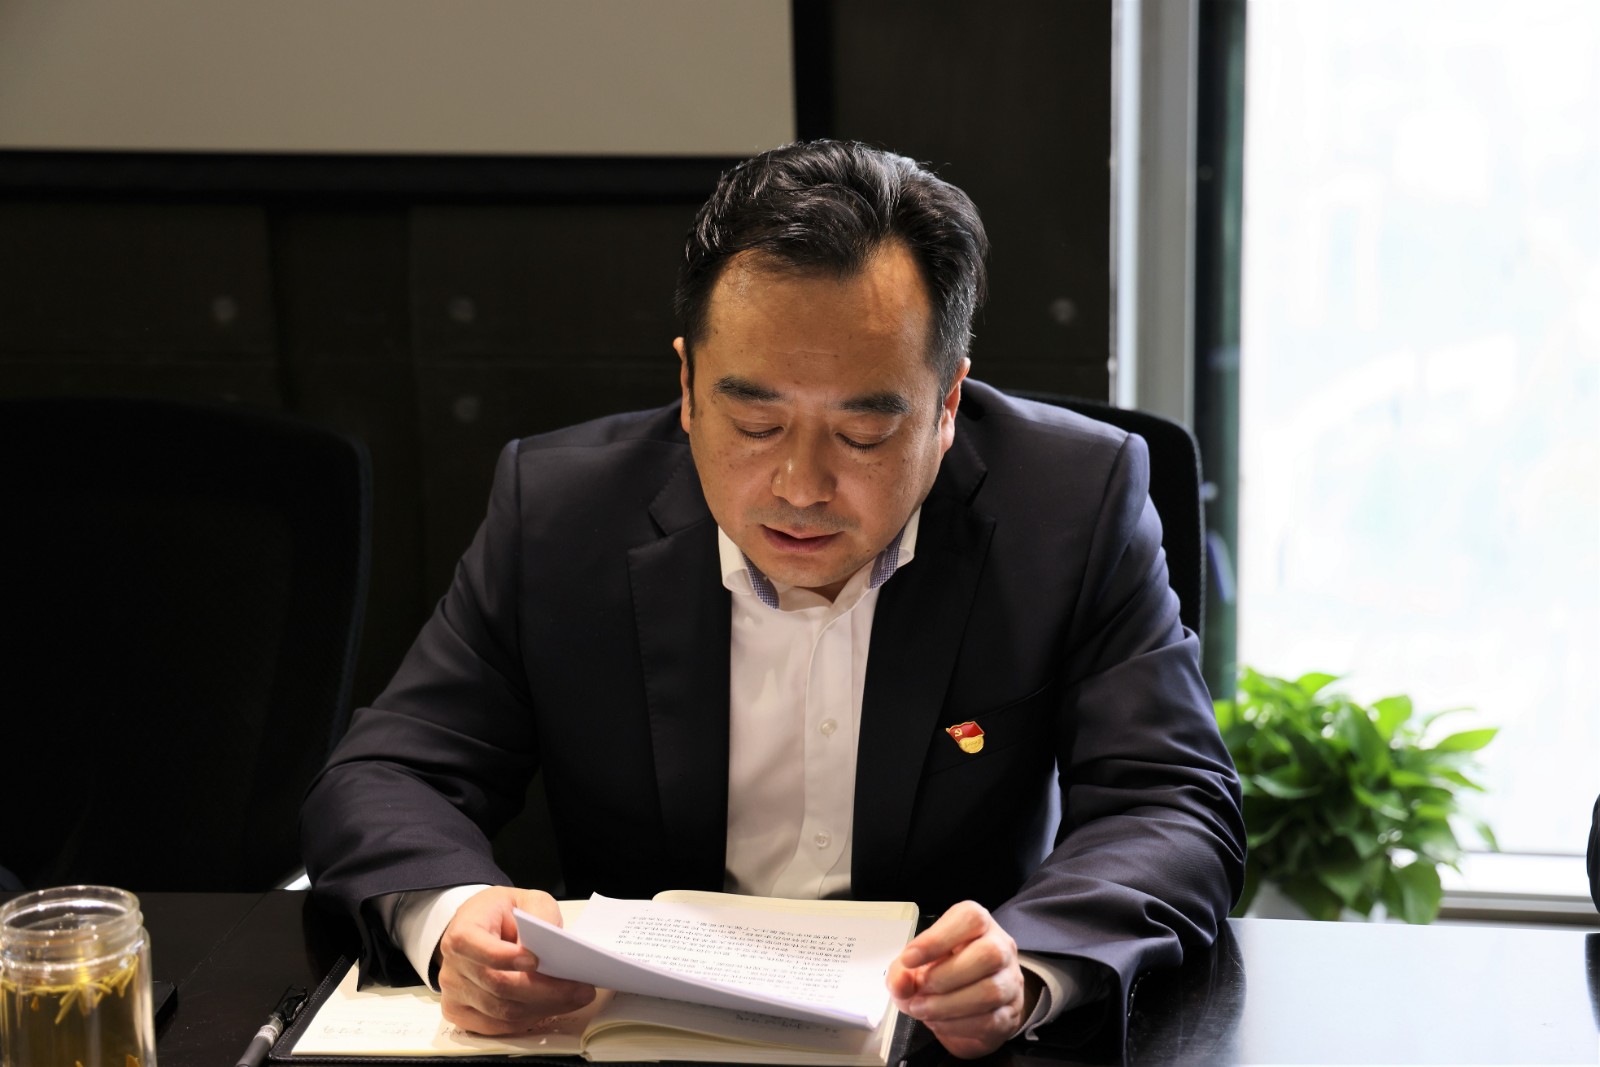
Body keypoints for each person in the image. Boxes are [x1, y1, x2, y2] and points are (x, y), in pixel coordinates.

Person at [301, 139, 1245, 1057]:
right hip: (641, 1034)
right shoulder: (561, 513)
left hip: (932, 1039)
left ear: (948, 404)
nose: (800, 486)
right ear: (687, 385)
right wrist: (458, 917)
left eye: (863, 435)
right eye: (755, 423)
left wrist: (1029, 964)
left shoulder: (1071, 506)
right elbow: (389, 773)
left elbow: (1171, 800)